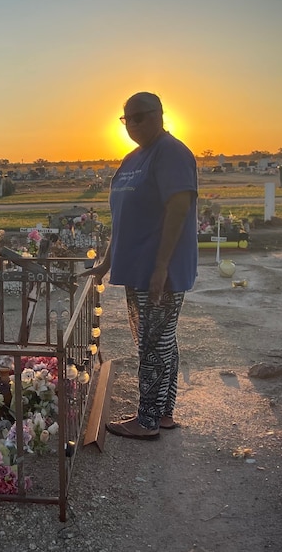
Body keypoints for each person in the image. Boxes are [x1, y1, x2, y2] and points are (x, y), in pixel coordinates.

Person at [84, 92, 197, 441]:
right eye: (126, 119)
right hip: (138, 268)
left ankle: (146, 421)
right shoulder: (134, 158)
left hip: (157, 271)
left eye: (139, 117)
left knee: (153, 343)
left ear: (160, 115)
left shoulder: (172, 153)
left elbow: (178, 208)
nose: (132, 125)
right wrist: (104, 262)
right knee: (162, 342)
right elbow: (123, 217)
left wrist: (161, 266)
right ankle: (163, 413)